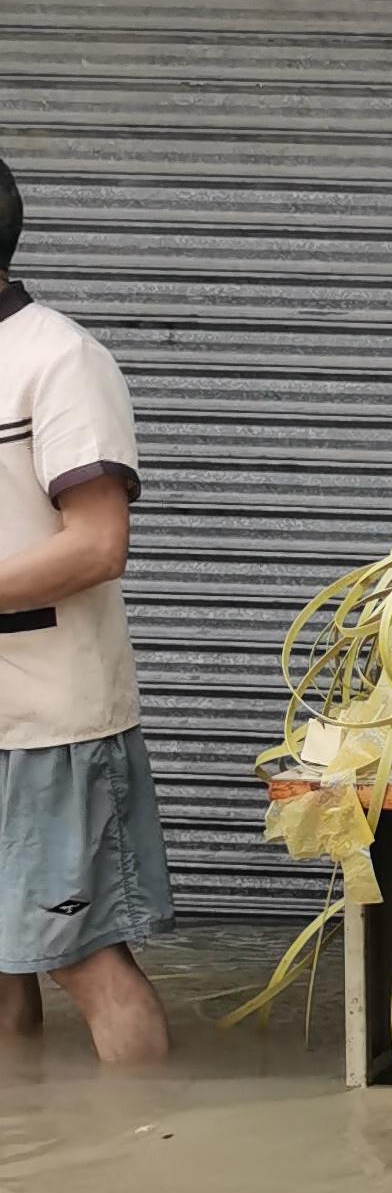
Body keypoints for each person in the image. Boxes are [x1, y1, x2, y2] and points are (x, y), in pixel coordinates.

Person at [0, 154, 174, 1064]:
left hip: (47, 722)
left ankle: (146, 1163)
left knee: (84, 962)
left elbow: (97, 543)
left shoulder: (58, 358)